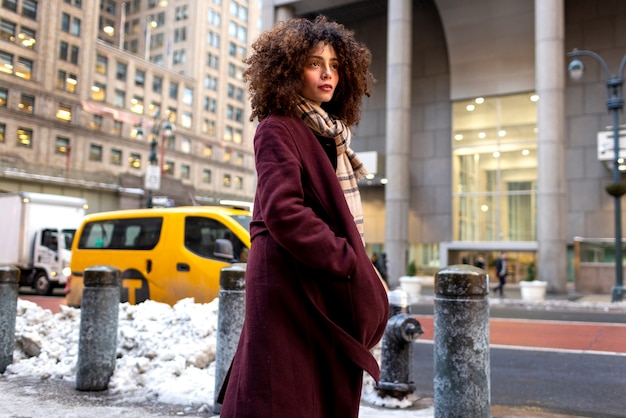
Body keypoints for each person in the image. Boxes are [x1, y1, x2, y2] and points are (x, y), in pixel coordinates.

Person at [217, 16, 389, 418]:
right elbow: (283, 211)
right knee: (282, 390)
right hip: (288, 278)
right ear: (290, 69)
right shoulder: (278, 128)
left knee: (315, 385)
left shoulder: (328, 133)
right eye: (315, 63)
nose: (328, 73)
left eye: (334, 63)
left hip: (315, 275)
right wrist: (347, 259)